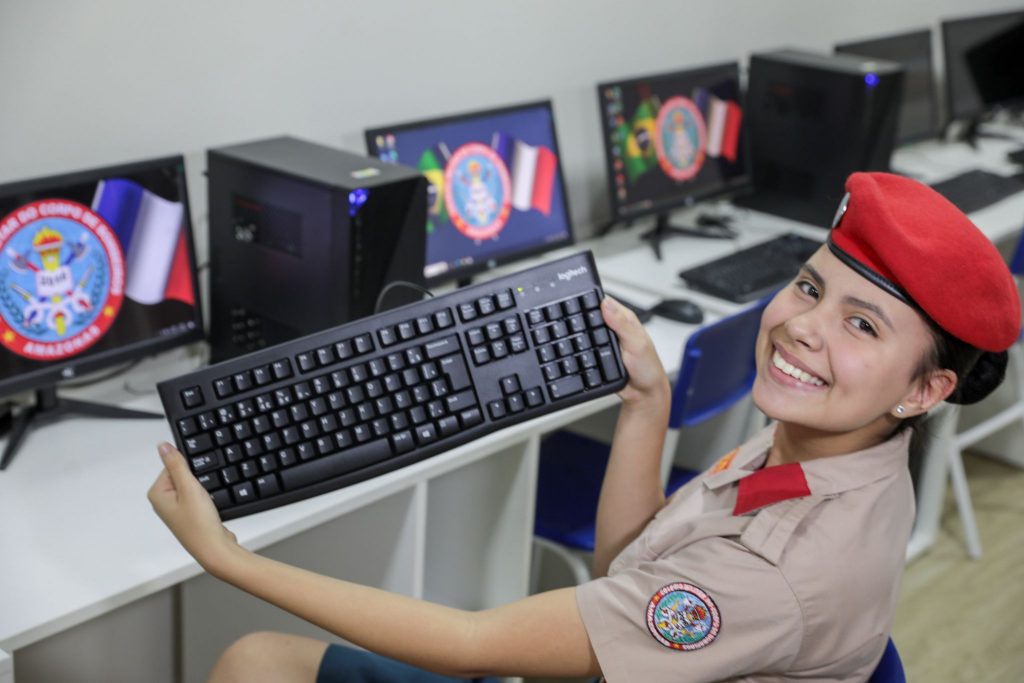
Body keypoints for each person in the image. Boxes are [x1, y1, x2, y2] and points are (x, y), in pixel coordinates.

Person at [149, 172, 1021, 682]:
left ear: (926, 389)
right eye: (809, 286)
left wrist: (231, 559)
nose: (801, 328)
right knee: (262, 660)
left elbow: (474, 643)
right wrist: (646, 401)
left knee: (256, 660)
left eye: (861, 325)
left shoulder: (776, 568)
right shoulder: (839, 442)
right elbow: (627, 570)